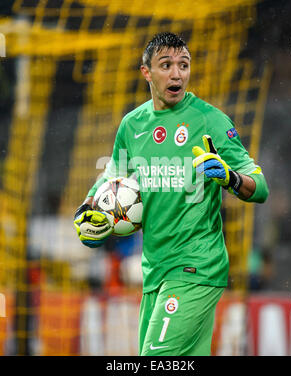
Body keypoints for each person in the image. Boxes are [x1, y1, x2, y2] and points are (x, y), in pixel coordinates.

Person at [74, 32, 269, 356]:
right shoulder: (132, 125)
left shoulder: (209, 120)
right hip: (155, 273)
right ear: (146, 72)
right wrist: (88, 210)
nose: (177, 73)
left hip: (196, 266)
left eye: (184, 64)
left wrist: (230, 178)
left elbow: (260, 187)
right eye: (166, 65)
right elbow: (111, 177)